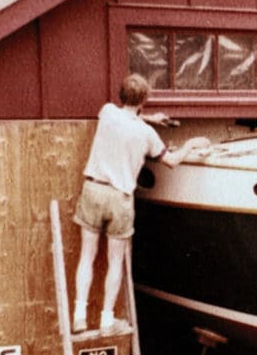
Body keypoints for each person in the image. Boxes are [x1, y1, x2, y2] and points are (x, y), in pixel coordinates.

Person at [72, 73, 210, 334]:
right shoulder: (147, 134)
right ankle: (106, 321)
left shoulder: (108, 112)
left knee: (86, 256)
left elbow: (126, 117)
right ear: (144, 99)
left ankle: (79, 316)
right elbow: (171, 160)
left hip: (93, 189)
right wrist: (191, 144)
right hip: (120, 199)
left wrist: (148, 117)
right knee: (115, 262)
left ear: (121, 94)